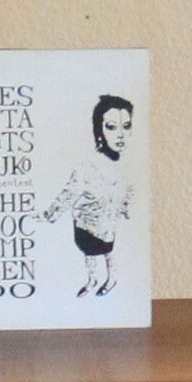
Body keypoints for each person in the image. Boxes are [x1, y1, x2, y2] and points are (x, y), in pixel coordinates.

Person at [45, 91, 137, 294]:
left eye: (126, 126)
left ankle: (111, 279)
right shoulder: (88, 166)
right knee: (91, 253)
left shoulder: (130, 167)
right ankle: (92, 280)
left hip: (109, 223)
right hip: (87, 224)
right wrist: (49, 215)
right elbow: (69, 193)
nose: (121, 134)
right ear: (99, 130)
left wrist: (127, 210)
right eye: (111, 127)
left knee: (109, 252)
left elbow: (128, 193)